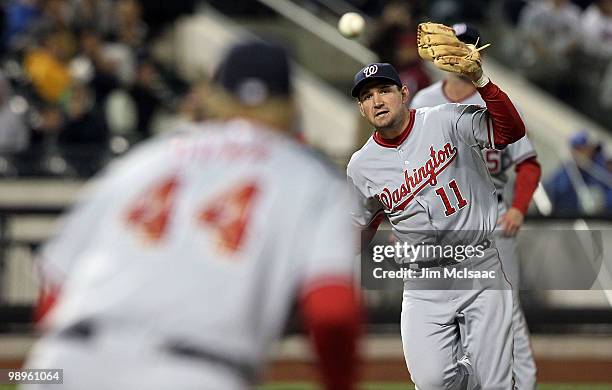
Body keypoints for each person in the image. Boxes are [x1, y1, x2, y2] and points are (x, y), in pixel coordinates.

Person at [23, 41, 362, 390]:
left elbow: (52, 292)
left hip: (67, 361)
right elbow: (332, 311)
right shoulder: (312, 178)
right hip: (194, 370)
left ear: (214, 97)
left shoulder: (146, 159)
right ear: (292, 104)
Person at [346, 30, 526, 388]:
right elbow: (358, 228)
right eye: (367, 97)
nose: (377, 101)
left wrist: (481, 80)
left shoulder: (445, 119)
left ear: (404, 94)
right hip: (423, 281)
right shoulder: (361, 166)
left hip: (479, 267)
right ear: (361, 108)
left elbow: (510, 132)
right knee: (431, 382)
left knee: (495, 382)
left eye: (384, 90)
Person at [409, 23, 541, 390]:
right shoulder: (422, 102)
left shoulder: (494, 101)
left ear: (478, 50)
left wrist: (518, 207)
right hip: (443, 224)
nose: (455, 51)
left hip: (493, 215)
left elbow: (527, 161)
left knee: (506, 311)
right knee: (450, 313)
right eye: (452, 44)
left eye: (464, 44)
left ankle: (522, 384)